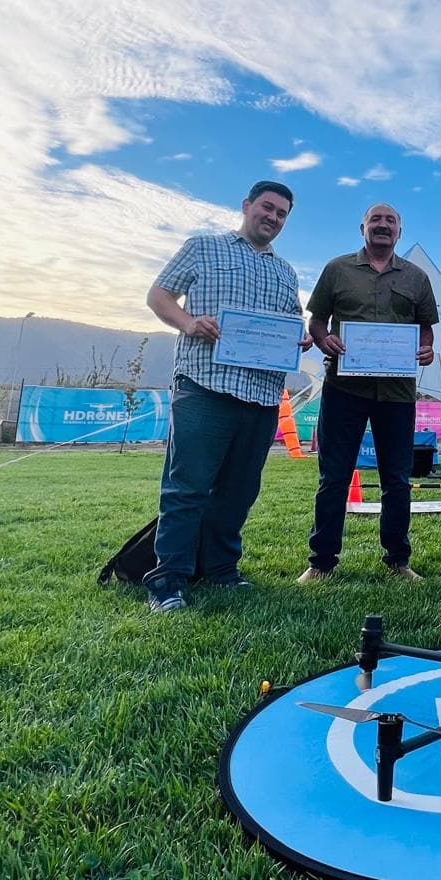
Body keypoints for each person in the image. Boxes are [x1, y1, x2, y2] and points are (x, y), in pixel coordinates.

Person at [142, 180, 311, 613]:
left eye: (281, 214)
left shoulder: (285, 271)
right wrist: (188, 322)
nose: (272, 218)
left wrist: (300, 340)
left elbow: (289, 325)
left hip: (261, 394)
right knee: (187, 487)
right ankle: (168, 579)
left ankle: (221, 571)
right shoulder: (203, 247)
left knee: (238, 490)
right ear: (247, 206)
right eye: (267, 207)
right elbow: (159, 294)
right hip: (205, 385)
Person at [297, 202, 437, 581]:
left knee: (397, 479)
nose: (382, 225)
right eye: (375, 219)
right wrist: (324, 340)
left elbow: (426, 328)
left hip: (397, 393)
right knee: (334, 476)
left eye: (390, 220)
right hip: (344, 388)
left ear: (399, 233)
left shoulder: (416, 277)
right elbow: (317, 322)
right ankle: (321, 562)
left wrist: (426, 349)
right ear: (362, 228)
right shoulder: (336, 269)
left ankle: (398, 561)